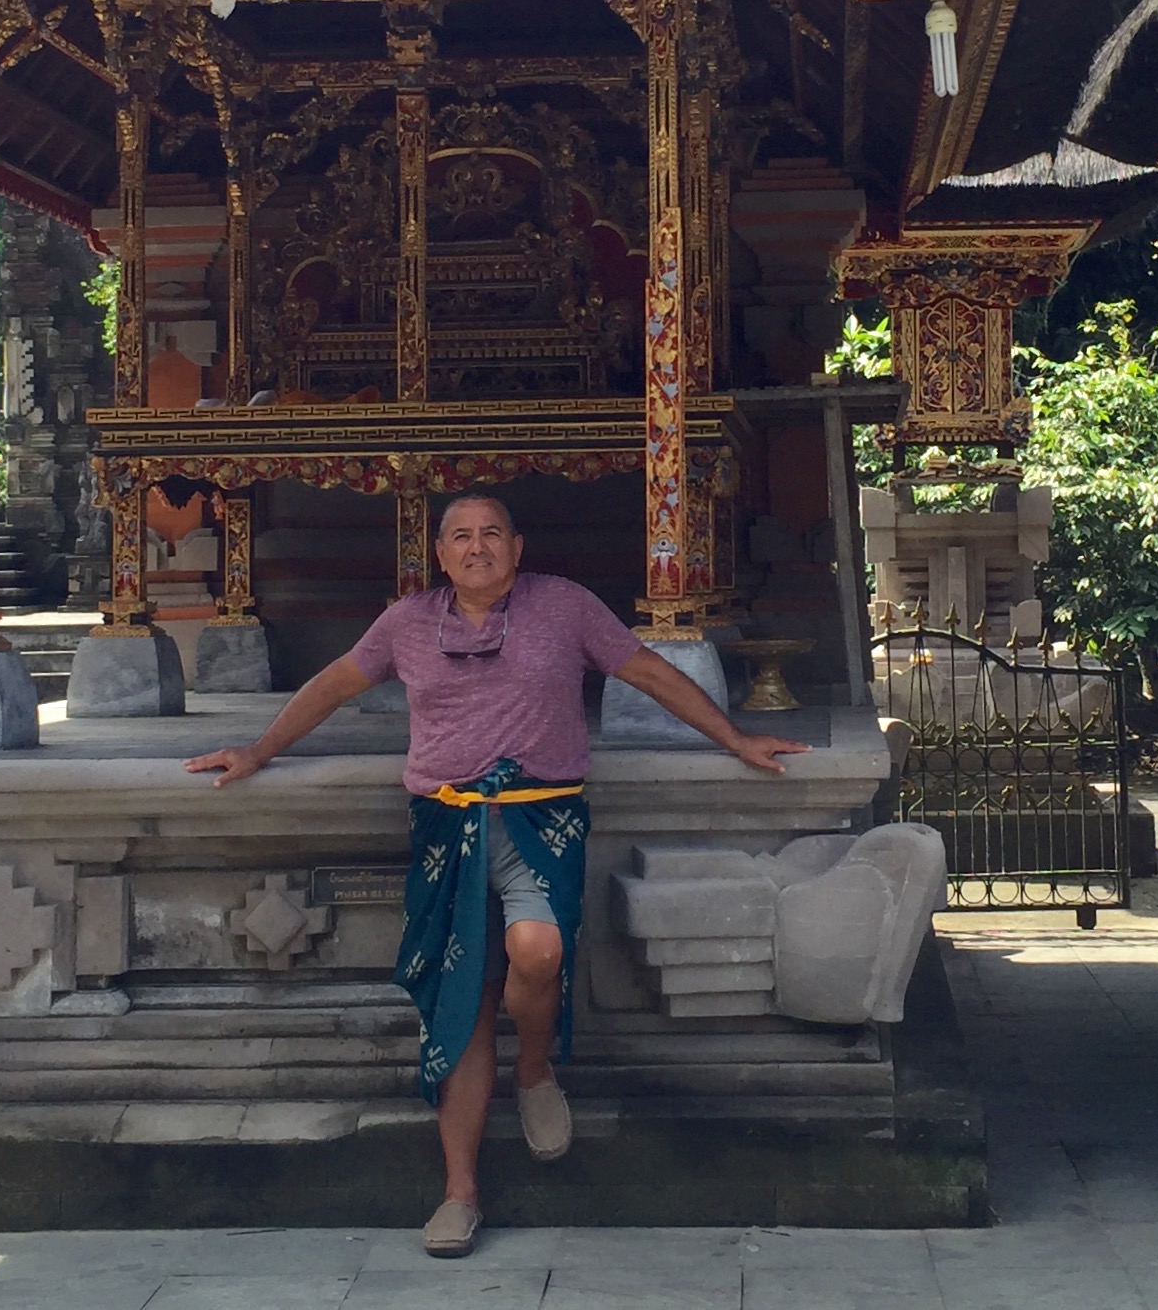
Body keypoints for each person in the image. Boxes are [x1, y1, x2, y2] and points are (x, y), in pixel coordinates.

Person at [185, 493, 806, 1259]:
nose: (476, 546)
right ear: (440, 554)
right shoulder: (407, 621)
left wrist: (736, 738)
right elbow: (334, 684)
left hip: (540, 820)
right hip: (448, 829)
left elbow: (647, 670)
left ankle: (535, 1068)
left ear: (517, 545)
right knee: (463, 1002)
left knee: (536, 949)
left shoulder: (564, 606)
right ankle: (459, 1191)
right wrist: (257, 749)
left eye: (490, 534)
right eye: (460, 536)